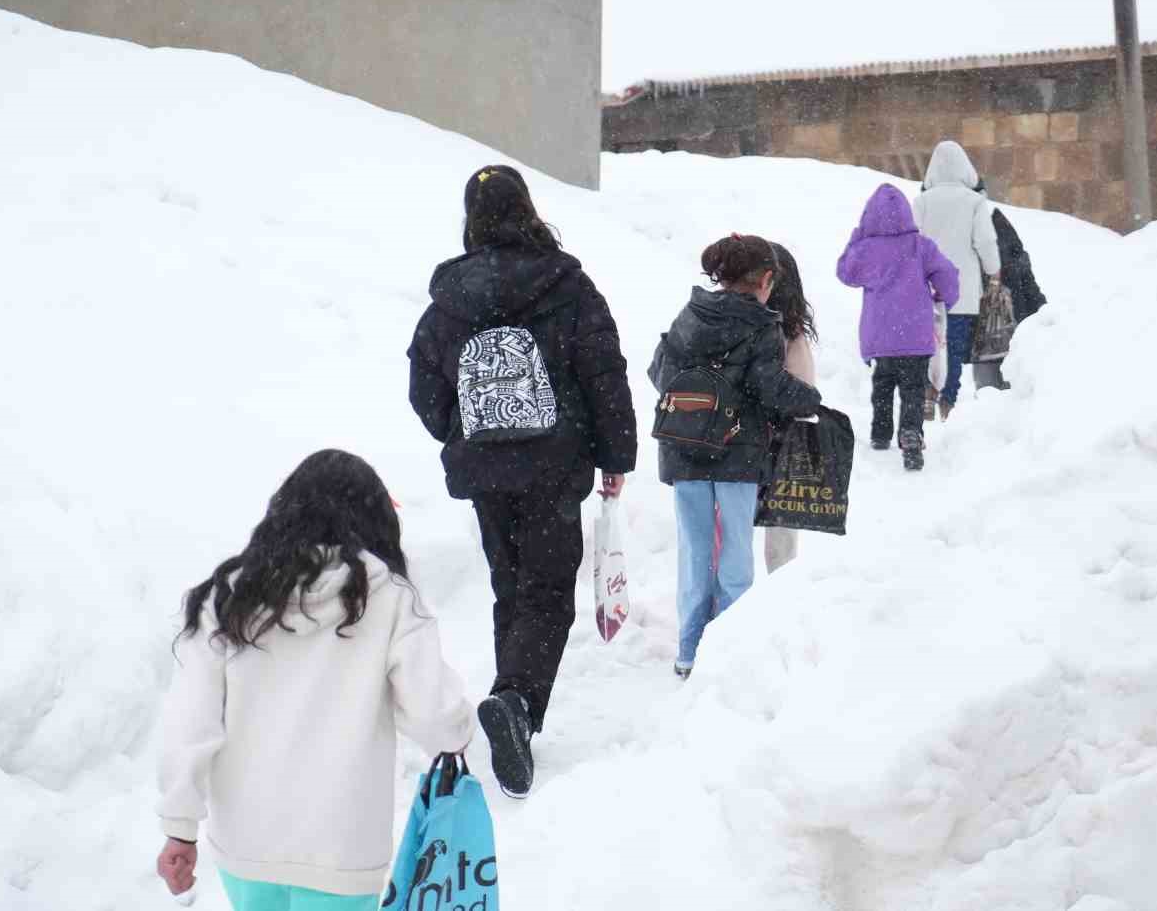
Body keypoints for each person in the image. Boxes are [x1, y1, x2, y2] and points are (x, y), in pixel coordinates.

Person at [155, 450, 475, 910]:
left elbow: (191, 719)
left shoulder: (229, 597)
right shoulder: (388, 597)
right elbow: (433, 714)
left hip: (247, 841)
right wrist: (461, 732)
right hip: (343, 848)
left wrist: (179, 825)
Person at [407, 164, 636, 799]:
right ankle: (517, 701)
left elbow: (423, 387)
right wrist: (615, 454)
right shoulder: (567, 285)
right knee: (547, 592)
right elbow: (603, 371)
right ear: (528, 210)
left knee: (510, 584)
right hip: (556, 462)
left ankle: (511, 695)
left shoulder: (449, 301)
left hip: (486, 469)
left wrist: (463, 429)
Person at [649, 234, 821, 677]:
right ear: (766, 279)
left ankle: (688, 649)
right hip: (736, 455)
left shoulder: (690, 314)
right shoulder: (762, 325)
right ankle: (730, 651)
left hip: (684, 451)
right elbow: (769, 386)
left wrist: (701, 401)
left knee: (696, 550)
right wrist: (809, 400)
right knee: (735, 554)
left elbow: (659, 370)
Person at [836, 183, 960, 471]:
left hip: (880, 336)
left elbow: (845, 272)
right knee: (913, 388)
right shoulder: (920, 246)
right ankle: (911, 433)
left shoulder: (866, 248)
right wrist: (944, 296)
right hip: (914, 334)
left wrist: (858, 236)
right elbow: (947, 274)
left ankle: (880, 433)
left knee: (882, 384)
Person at [912, 140, 1001, 420]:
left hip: (928, 287)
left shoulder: (922, 202)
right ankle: (948, 401)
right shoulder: (974, 202)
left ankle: (927, 391)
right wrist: (993, 270)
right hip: (962, 290)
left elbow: (912, 242)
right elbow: (985, 242)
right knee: (955, 345)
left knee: (928, 343)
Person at [762, 242, 819, 572]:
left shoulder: (767, 329)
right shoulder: (793, 331)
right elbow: (804, 388)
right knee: (780, 539)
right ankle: (776, 591)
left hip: (751, 440)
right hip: (785, 441)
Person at [972, 208, 1048, 391]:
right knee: (1010, 395)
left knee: (990, 396)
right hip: (1014, 334)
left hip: (989, 339)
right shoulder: (1005, 235)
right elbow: (1030, 287)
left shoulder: (973, 240)